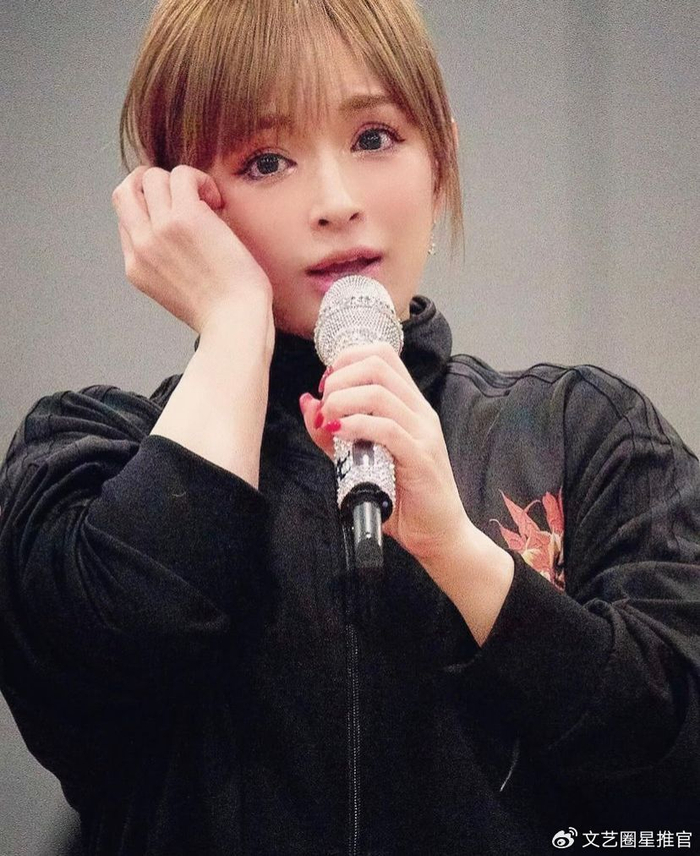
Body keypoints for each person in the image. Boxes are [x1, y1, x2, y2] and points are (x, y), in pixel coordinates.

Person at [1, 1, 699, 854]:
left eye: (374, 138)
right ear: (183, 205)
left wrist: (463, 558)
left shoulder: (584, 433)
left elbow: (677, 764)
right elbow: (95, 677)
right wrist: (233, 324)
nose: (335, 202)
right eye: (265, 161)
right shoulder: (86, 457)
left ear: (439, 160)